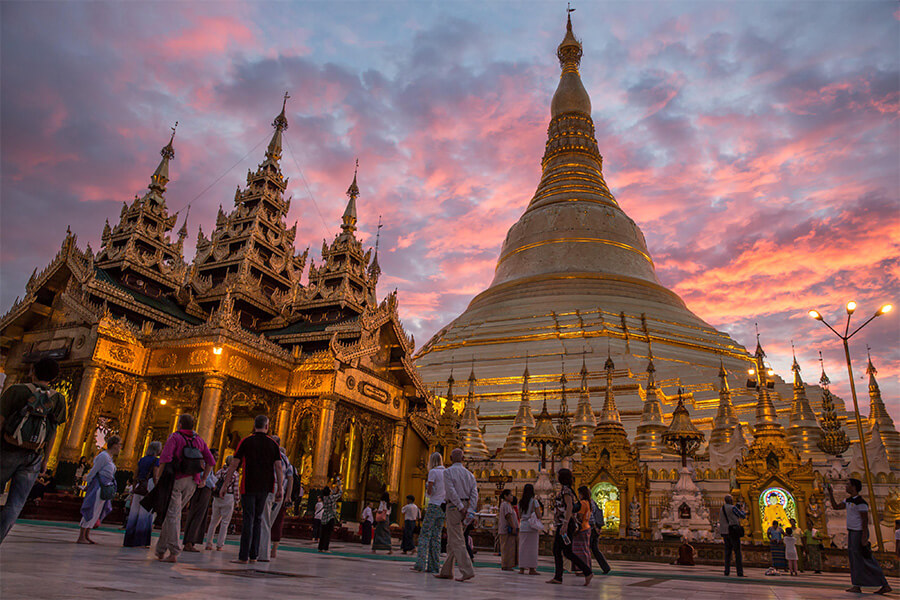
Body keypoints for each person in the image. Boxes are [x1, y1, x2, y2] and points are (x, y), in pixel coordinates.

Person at [0, 357, 68, 543]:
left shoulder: (16, 390)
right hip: (34, 456)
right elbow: (53, 433)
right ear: (54, 378)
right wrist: (46, 460)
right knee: (15, 504)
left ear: (33, 371)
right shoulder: (58, 399)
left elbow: (1, 420)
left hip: (7, 450)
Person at [220, 415, 284, 564]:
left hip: (248, 485)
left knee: (248, 518)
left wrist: (225, 485)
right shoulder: (273, 444)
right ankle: (253, 555)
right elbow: (279, 467)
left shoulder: (246, 441)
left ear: (254, 426)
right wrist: (280, 488)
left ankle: (243, 556)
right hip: (266, 486)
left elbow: (234, 464)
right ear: (267, 427)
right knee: (258, 519)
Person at [155, 414, 216, 563]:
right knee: (172, 515)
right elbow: (211, 461)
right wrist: (203, 479)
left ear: (180, 424)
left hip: (176, 480)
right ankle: (161, 549)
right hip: (193, 482)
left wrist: (158, 478)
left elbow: (165, 458)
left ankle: (174, 551)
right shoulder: (199, 440)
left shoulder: (175, 438)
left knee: (173, 515)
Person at [826, 479, 891, 595]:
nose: (846, 486)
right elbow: (836, 507)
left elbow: (865, 520)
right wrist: (830, 493)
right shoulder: (848, 501)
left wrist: (864, 537)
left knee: (866, 558)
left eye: (848, 484)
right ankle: (857, 584)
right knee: (854, 559)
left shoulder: (861, 503)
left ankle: (883, 583)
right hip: (852, 532)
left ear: (854, 487)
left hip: (859, 532)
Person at [436, 448, 478, 582]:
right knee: (452, 541)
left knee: (457, 540)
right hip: (465, 507)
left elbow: (451, 491)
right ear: (463, 458)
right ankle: (447, 571)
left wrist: (460, 507)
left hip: (454, 507)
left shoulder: (448, 472)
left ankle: (467, 570)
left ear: (450, 457)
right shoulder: (469, 474)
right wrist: (470, 510)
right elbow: (474, 494)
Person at [546, 468, 592, 586]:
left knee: (560, 550)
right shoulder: (566, 489)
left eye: (558, 475)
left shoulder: (566, 490)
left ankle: (583, 572)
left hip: (565, 524)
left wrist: (565, 523)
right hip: (564, 523)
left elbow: (569, 506)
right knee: (565, 551)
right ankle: (584, 572)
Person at [76, 435, 121, 544]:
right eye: (119, 445)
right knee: (91, 508)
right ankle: (81, 536)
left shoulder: (109, 458)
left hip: (104, 487)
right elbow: (94, 471)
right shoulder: (103, 456)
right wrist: (89, 484)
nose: (120, 447)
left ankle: (87, 534)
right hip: (98, 486)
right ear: (114, 445)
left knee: (97, 511)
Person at [412, 451, 446, 573]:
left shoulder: (433, 472)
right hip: (443, 507)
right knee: (436, 537)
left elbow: (430, 491)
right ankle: (434, 566)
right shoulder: (446, 472)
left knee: (425, 535)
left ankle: (420, 564)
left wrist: (427, 488)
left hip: (433, 505)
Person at [124, 441, 161, 548]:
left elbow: (135, 474)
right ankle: (140, 540)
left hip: (138, 487)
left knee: (134, 513)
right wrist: (157, 488)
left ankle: (129, 540)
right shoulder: (156, 461)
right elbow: (155, 476)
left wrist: (134, 488)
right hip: (148, 487)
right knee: (145, 514)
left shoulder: (142, 460)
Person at [259, 440, 292, 561]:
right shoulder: (286, 459)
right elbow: (290, 477)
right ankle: (265, 552)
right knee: (269, 522)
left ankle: (261, 552)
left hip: (270, 487)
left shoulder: (270, 454)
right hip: (280, 490)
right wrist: (286, 494)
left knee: (264, 520)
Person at [183, 448, 218, 552]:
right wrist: (213, 486)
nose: (217, 457)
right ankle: (189, 541)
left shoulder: (208, 465)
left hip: (204, 490)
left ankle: (192, 541)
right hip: (202, 490)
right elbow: (204, 477)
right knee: (197, 514)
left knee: (200, 515)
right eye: (215, 455)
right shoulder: (204, 464)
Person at [205, 455, 238, 551]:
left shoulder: (219, 472)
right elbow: (236, 489)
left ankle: (208, 543)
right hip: (228, 496)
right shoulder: (235, 474)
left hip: (218, 497)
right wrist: (237, 500)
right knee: (225, 522)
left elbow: (214, 482)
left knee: (213, 521)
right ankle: (220, 544)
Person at [268, 446, 294, 559]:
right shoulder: (289, 465)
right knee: (277, 521)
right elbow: (291, 479)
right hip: (281, 494)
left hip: (271, 491)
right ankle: (273, 549)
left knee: (266, 520)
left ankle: (265, 547)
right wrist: (288, 496)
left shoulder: (273, 460)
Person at [719, 494, 746, 577]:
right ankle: (739, 572)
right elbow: (742, 516)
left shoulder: (721, 508)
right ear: (730, 500)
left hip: (725, 532)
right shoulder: (733, 508)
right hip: (733, 532)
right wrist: (742, 509)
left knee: (727, 552)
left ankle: (726, 571)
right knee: (737, 552)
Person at [518, 483, 542, 575]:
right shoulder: (534, 501)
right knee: (532, 548)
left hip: (523, 525)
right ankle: (532, 569)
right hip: (532, 526)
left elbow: (519, 515)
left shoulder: (521, 502)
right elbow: (538, 514)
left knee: (523, 547)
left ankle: (522, 568)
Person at [586, 489, 611, 574]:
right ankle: (605, 567)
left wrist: (595, 527)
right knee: (595, 549)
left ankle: (586, 568)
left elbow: (591, 517)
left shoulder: (589, 503)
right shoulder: (593, 502)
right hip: (595, 528)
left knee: (587, 549)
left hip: (592, 528)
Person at [317, 476, 343, 552]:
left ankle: (320, 548)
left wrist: (337, 485)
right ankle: (326, 548)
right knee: (328, 534)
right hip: (330, 517)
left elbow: (333, 492)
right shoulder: (331, 498)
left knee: (323, 533)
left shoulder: (324, 498)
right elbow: (340, 493)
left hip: (324, 517)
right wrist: (340, 486)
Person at [497, 488, 518, 571]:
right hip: (506, 530)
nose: (512, 497)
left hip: (504, 530)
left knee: (507, 547)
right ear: (505, 496)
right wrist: (513, 527)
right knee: (508, 548)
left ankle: (506, 564)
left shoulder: (506, 504)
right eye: (510, 495)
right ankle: (507, 565)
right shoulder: (506, 504)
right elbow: (508, 516)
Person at [573, 487, 593, 571]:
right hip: (587, 527)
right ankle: (587, 567)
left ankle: (582, 568)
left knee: (580, 550)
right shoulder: (588, 503)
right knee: (585, 549)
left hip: (581, 528)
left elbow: (580, 517)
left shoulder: (582, 503)